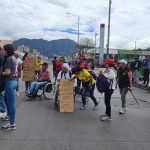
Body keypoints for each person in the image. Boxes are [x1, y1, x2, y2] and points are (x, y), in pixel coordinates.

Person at [1, 44, 18, 130]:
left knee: (11, 104)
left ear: (7, 51)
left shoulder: (8, 59)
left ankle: (12, 124)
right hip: (14, 82)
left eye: (3, 50)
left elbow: (7, 72)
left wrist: (1, 73)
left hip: (9, 83)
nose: (2, 51)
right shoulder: (14, 58)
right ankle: (9, 116)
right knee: (6, 100)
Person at [0, 47, 7, 119]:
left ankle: (3, 111)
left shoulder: (1, 58)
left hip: (2, 80)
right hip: (2, 80)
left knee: (1, 96)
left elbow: (6, 71)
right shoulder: (3, 58)